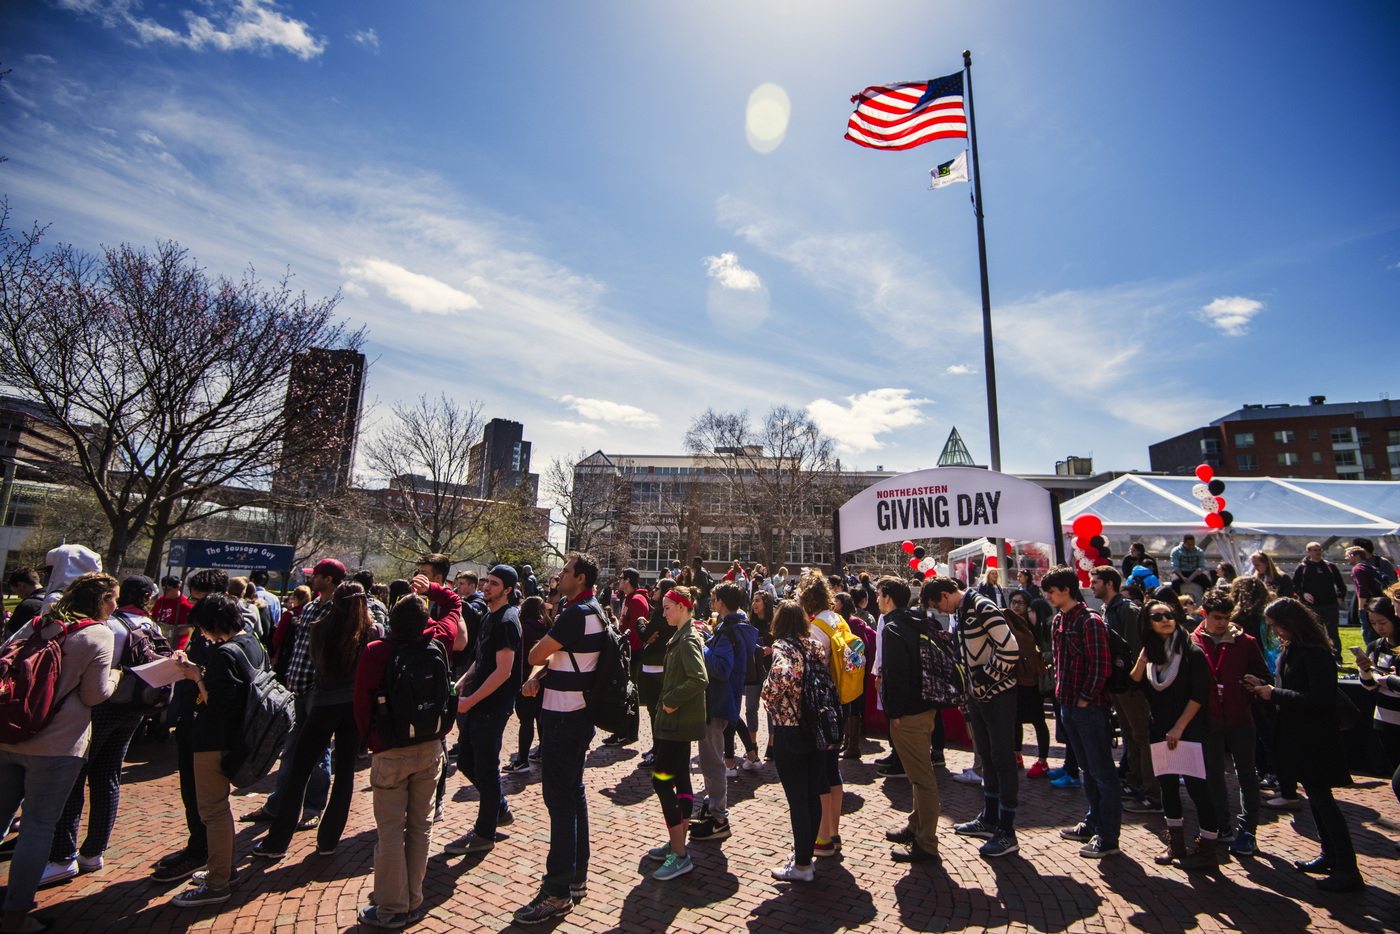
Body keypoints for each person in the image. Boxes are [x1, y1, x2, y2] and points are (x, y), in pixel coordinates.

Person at [0, 572, 117, 933]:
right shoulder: (98, 634)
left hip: (8, 733)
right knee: (37, 828)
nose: (115, 605)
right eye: (111, 598)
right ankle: (15, 917)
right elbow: (93, 696)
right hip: (57, 745)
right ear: (100, 601)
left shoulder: (38, 624)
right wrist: (115, 676)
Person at [45, 574, 165, 883]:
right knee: (108, 776)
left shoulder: (109, 625)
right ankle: (94, 852)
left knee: (75, 778)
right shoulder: (152, 626)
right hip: (134, 709)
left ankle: (62, 855)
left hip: (101, 708)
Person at [353, 591, 458, 928]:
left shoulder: (377, 652)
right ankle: (412, 898)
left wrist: (374, 742)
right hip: (430, 747)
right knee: (420, 827)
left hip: (391, 750)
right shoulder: (437, 646)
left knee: (390, 832)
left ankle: (392, 906)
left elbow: (362, 705)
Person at [1244, 598, 1364, 892]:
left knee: (1325, 802)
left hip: (1317, 739)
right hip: (1298, 737)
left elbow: (1319, 699)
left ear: (1292, 623)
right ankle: (1330, 855)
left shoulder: (1317, 654)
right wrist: (1263, 684)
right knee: (1317, 800)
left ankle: (1348, 868)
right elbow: (1288, 686)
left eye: (1277, 626)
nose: (1275, 633)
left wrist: (1274, 694)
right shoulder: (1291, 651)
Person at [252, 582, 378, 862]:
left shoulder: (319, 628)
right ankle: (329, 840)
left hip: (322, 704)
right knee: (345, 774)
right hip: (353, 709)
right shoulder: (372, 631)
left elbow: (314, 663)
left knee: (299, 772)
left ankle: (277, 841)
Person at [512, 553, 604, 925]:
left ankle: (556, 891)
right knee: (573, 793)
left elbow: (535, 651)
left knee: (559, 801)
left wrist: (538, 664)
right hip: (577, 714)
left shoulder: (573, 614)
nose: (559, 575)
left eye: (565, 571)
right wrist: (542, 673)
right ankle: (576, 878)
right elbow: (563, 656)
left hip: (564, 717)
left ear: (579, 578)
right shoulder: (594, 610)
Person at [169, 592, 268, 908]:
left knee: (213, 810)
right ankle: (223, 870)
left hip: (215, 741)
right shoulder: (252, 643)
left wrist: (197, 677)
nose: (200, 633)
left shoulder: (224, 653)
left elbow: (220, 705)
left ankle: (218, 882)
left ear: (213, 623)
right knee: (218, 809)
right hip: (237, 739)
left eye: (201, 626)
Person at [240, 560, 343, 830]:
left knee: (319, 752)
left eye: (317, 576)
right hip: (296, 687)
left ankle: (312, 807)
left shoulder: (339, 610)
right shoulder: (309, 607)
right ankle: (278, 804)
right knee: (289, 748)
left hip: (318, 690)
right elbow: (298, 647)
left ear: (329, 579)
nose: (312, 579)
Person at [925, 575, 1020, 858]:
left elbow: (1010, 648)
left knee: (1002, 759)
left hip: (998, 695)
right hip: (980, 697)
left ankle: (1007, 829)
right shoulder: (966, 610)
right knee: (988, 757)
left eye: (937, 605)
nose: (940, 611)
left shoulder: (982, 606)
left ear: (945, 594)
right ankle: (990, 817)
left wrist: (984, 678)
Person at [150, 568, 229, 884]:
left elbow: (220, 689)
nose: (192, 609)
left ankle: (203, 855)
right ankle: (198, 848)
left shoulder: (228, 637)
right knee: (193, 795)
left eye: (198, 601)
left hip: (204, 726)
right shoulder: (205, 629)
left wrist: (196, 673)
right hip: (190, 718)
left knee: (205, 799)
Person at [1129, 599, 1220, 870]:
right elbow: (1134, 682)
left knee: (1197, 790)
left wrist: (1179, 728)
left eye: (1169, 615)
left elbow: (1199, 694)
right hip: (1160, 729)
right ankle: (1177, 845)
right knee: (1168, 788)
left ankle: (1207, 851)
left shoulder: (1192, 652)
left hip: (1188, 731)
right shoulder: (1153, 658)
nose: (1165, 619)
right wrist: (1143, 657)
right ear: (1148, 624)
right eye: (1157, 617)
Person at [443, 565, 523, 856]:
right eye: (486, 581)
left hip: (492, 707)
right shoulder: (491, 616)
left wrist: (471, 700)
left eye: (493, 583)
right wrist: (463, 682)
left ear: (508, 590)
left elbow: (503, 672)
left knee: (487, 770)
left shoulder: (508, 620)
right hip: (477, 702)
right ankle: (499, 810)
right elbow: (481, 658)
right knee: (465, 761)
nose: (486, 587)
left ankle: (484, 832)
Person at [1044, 565, 1122, 858]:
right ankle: (1094, 822)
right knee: (1088, 771)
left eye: (1051, 591)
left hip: (1087, 709)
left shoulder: (1089, 621)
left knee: (1102, 772)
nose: (1048, 597)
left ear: (1066, 590)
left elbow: (1100, 666)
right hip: (1068, 705)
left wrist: (1085, 699)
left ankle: (1108, 836)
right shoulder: (1059, 620)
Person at [1193, 589, 1271, 856]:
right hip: (1210, 719)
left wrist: (1254, 683)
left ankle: (1248, 830)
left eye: (1226, 617)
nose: (1222, 622)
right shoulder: (1193, 641)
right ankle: (1222, 823)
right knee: (1213, 773)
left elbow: (1264, 676)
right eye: (1217, 617)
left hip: (1240, 717)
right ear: (1204, 614)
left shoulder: (1245, 642)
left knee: (1247, 774)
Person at [760, 600, 829, 882]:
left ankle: (801, 865)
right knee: (813, 794)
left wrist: (769, 696)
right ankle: (805, 857)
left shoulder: (783, 648)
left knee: (798, 798)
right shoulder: (815, 646)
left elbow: (780, 675)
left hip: (790, 727)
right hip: (818, 727)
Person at [642, 586, 707, 880]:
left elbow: (699, 678)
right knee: (680, 781)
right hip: (675, 724)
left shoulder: (688, 638)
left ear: (682, 607)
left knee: (661, 780)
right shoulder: (682, 635)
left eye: (667, 607)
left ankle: (680, 853)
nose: (662, 612)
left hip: (677, 724)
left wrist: (670, 700)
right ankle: (677, 842)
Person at [876, 577, 943, 864]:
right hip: (926, 706)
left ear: (888, 597)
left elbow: (897, 675)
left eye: (879, 594)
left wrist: (894, 712)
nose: (877, 598)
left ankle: (926, 843)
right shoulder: (919, 621)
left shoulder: (893, 628)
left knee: (922, 778)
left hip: (908, 714)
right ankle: (915, 826)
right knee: (919, 774)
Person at [690, 582, 757, 844]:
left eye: (714, 599)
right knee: (712, 756)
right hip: (725, 700)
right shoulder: (735, 628)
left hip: (717, 701)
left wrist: (702, 646)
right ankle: (713, 807)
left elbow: (720, 668)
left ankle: (718, 818)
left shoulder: (728, 631)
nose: (711, 602)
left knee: (711, 759)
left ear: (721, 603)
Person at [1090, 567, 1158, 813]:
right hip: (1118, 684)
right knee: (1130, 734)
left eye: (1095, 582)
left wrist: (1133, 680)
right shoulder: (1108, 608)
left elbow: (1137, 648)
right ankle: (1136, 782)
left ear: (1109, 584)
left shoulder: (1128, 610)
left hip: (1132, 685)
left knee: (1142, 736)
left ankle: (1152, 792)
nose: (1091, 586)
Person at [798, 573, 847, 858]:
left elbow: (810, 665)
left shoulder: (817, 627)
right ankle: (834, 832)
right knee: (832, 768)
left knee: (818, 770)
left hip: (824, 703)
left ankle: (823, 837)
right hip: (842, 698)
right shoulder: (837, 619)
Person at [1356, 591, 1400, 853]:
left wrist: (1389, 681)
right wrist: (1365, 669)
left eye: (1382, 621)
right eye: (1373, 623)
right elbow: (1369, 686)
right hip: (1384, 720)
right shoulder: (1376, 646)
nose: (1378, 627)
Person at [1006, 590, 1050, 778]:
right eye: (1013, 602)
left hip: (1033, 680)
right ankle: (1017, 754)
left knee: (1038, 720)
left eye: (1021, 603)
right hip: (1016, 678)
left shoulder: (1036, 626)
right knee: (1015, 718)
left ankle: (1043, 759)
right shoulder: (1007, 623)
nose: (1016, 606)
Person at [602, 568, 648, 747]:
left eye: (621, 578)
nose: (619, 581)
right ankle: (621, 731)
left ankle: (628, 732)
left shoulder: (637, 600)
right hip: (626, 651)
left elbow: (636, 630)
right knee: (624, 691)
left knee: (630, 692)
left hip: (632, 652)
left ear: (627, 580)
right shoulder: (628, 599)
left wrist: (624, 651)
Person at [634, 578, 677, 769]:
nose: (653, 590)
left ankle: (658, 751)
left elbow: (644, 635)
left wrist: (639, 622)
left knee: (654, 712)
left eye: (657, 588)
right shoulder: (673, 614)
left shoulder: (660, 614)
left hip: (654, 666)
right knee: (660, 712)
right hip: (666, 665)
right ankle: (657, 749)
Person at [505, 596, 550, 774]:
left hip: (525, 679)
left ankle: (522, 760)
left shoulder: (523, 629)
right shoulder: (548, 626)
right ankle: (541, 752)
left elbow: (518, 658)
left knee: (525, 721)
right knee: (540, 718)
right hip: (543, 679)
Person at [1293, 543, 1347, 664]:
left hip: (1330, 604)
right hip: (1312, 605)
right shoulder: (1303, 567)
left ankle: (1337, 657)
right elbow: (1294, 585)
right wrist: (1303, 594)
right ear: (1308, 551)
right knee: (1315, 631)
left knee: (1333, 632)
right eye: (1315, 550)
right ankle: (1318, 656)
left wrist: (1339, 598)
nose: (1318, 552)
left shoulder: (1329, 566)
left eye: (1320, 550)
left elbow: (1341, 585)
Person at [838, 592, 877, 762]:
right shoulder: (837, 622)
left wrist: (850, 661)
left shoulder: (855, 623)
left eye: (836, 602)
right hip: (842, 670)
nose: (833, 604)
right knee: (845, 704)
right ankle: (846, 742)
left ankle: (853, 745)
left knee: (853, 705)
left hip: (855, 671)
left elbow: (862, 647)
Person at [1347, 539, 1394, 643]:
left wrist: (1361, 608)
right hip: (1378, 601)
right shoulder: (1370, 566)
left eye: (1349, 555)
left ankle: (1373, 652)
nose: (1346, 558)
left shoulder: (1361, 567)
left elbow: (1362, 588)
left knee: (1370, 632)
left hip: (1374, 603)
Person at [152, 575, 194, 651]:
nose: (165, 592)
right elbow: (153, 616)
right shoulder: (161, 600)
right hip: (158, 641)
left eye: (168, 589)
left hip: (175, 645)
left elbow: (184, 629)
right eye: (163, 589)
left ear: (178, 587)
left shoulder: (185, 605)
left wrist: (166, 634)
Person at [3, 568, 42, 639]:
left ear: (21, 585)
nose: (18, 596)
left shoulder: (27, 605)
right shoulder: (54, 598)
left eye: (16, 592)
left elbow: (10, 636)